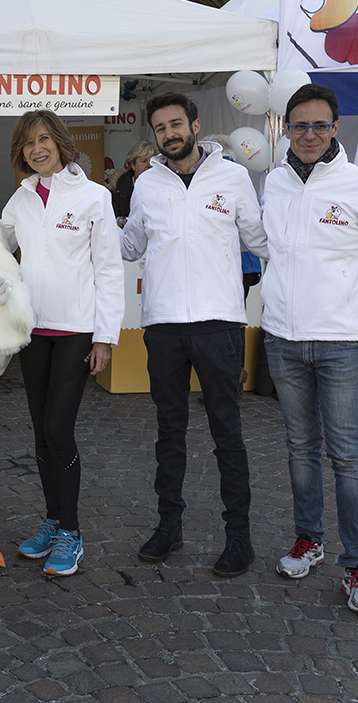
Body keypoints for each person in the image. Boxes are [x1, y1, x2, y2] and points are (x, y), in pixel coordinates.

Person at [263, 84, 358, 614]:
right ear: (285, 127)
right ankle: (310, 540)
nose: (308, 135)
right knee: (300, 450)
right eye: (298, 125)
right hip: (282, 340)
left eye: (318, 126)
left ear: (335, 129)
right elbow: (271, 251)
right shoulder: (274, 183)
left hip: (345, 344)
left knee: (348, 457)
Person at [121, 92, 267, 577]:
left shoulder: (233, 177)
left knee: (228, 434)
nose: (169, 134)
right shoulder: (147, 184)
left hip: (219, 324)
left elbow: (261, 240)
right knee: (169, 432)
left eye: (176, 124)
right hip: (162, 326)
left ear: (195, 125)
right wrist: (91, 216)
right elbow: (130, 245)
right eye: (161, 128)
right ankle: (169, 526)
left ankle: (239, 538)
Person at [0, 109, 125, 577]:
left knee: (58, 428)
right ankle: (52, 521)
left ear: (61, 142)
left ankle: (71, 532)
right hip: (34, 331)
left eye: (44, 140)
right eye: (29, 143)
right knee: (39, 432)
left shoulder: (93, 197)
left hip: (76, 332)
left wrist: (105, 337)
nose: (37, 149)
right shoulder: (22, 197)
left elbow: (110, 270)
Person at [111, 140, 157, 227]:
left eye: (152, 162)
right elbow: (112, 221)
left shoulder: (165, 186)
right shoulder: (118, 188)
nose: (149, 165)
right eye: (144, 161)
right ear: (133, 165)